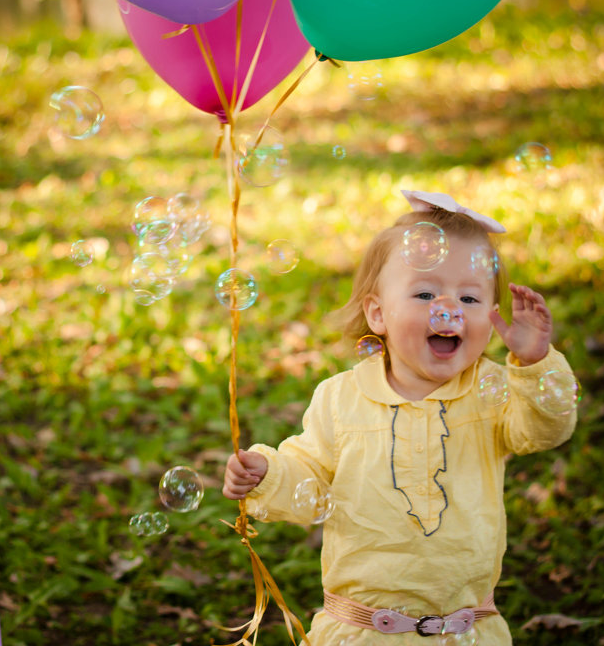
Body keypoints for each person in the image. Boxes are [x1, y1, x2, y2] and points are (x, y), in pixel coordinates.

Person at [223, 190, 579, 645]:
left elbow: (544, 429)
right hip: (361, 629)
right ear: (378, 313)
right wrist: (269, 474)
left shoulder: (494, 393)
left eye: (470, 299)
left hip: (466, 628)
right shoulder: (340, 398)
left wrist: (534, 365)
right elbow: (310, 480)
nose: (447, 309)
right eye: (426, 293)